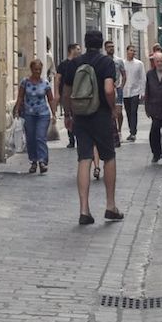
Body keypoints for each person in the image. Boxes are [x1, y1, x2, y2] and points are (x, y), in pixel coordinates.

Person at [61, 29, 123, 225]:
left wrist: (68, 113)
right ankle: (110, 206)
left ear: (85, 43)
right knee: (109, 157)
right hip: (101, 114)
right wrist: (113, 108)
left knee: (84, 158)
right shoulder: (106, 63)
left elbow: (66, 92)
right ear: (101, 43)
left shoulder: (75, 63)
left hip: (81, 116)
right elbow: (108, 89)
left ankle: (84, 209)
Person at [14, 58, 56, 175]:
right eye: (35, 69)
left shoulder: (45, 83)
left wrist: (54, 113)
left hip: (43, 114)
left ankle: (42, 161)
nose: (37, 72)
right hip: (29, 115)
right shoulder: (25, 82)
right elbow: (21, 97)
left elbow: (50, 99)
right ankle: (33, 161)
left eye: (39, 69)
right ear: (31, 69)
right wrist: (17, 110)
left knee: (40, 137)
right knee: (31, 139)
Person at [54, 42, 81, 147]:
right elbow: (58, 78)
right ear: (72, 50)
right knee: (68, 115)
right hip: (66, 94)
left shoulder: (79, 63)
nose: (79, 51)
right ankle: (71, 139)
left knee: (77, 117)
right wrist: (57, 92)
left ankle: (78, 137)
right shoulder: (63, 64)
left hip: (77, 95)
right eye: (78, 49)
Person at [122, 44, 145, 142]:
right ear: (127, 51)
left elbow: (142, 78)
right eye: (131, 50)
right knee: (128, 112)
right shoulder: (122, 63)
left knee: (133, 111)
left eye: (134, 51)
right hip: (125, 91)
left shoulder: (139, 64)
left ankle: (133, 132)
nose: (132, 52)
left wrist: (142, 92)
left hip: (135, 91)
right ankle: (131, 130)